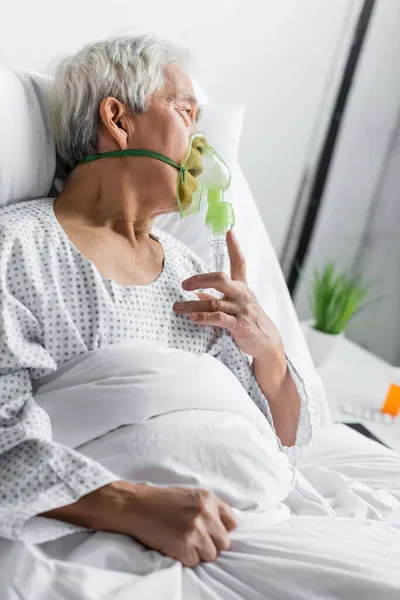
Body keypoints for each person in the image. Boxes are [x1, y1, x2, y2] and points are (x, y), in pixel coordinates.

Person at [0, 35, 317, 567]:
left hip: (244, 529)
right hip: (94, 540)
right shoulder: (18, 250)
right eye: (185, 111)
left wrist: (270, 351)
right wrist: (136, 506)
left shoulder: (196, 277)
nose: (202, 144)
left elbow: (279, 441)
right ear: (118, 119)